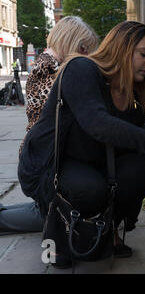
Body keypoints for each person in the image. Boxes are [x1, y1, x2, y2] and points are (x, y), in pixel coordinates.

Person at [18, 21, 145, 268]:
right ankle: (57, 233)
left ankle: (107, 228)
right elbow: (97, 123)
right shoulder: (81, 69)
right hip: (50, 165)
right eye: (144, 54)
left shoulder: (132, 96)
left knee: (134, 169)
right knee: (90, 189)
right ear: (122, 49)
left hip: (93, 163)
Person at [0, 16, 98, 236]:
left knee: (54, 210)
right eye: (83, 48)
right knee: (53, 214)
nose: (86, 55)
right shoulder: (48, 68)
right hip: (43, 158)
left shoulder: (55, 65)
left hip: (47, 153)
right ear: (71, 42)